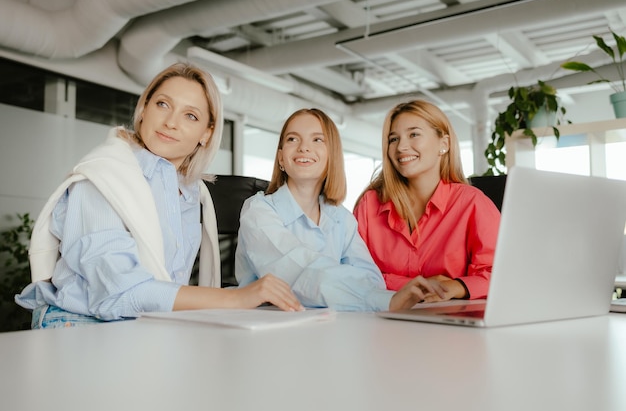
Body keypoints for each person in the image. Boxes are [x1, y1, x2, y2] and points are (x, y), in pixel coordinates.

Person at [15, 62, 302, 329]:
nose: (171, 122)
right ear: (144, 110)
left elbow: (163, 285)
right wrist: (237, 298)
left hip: (144, 324)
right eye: (163, 104)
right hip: (79, 326)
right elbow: (117, 293)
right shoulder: (104, 176)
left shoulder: (191, 193)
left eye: (190, 115)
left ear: (206, 133)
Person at [235, 108, 444, 311]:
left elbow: (371, 279)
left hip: (327, 327)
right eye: (292, 139)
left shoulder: (341, 218)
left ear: (332, 156)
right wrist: (382, 299)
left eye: (317, 139)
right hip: (265, 327)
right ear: (281, 157)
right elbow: (300, 272)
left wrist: (376, 295)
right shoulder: (258, 211)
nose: (303, 148)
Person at [353, 100, 500, 302]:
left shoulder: (472, 203)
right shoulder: (369, 205)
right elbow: (353, 274)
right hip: (384, 322)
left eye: (414, 134)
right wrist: (422, 286)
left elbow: (500, 274)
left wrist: (457, 286)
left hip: (451, 325)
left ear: (444, 144)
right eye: (393, 139)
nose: (401, 147)